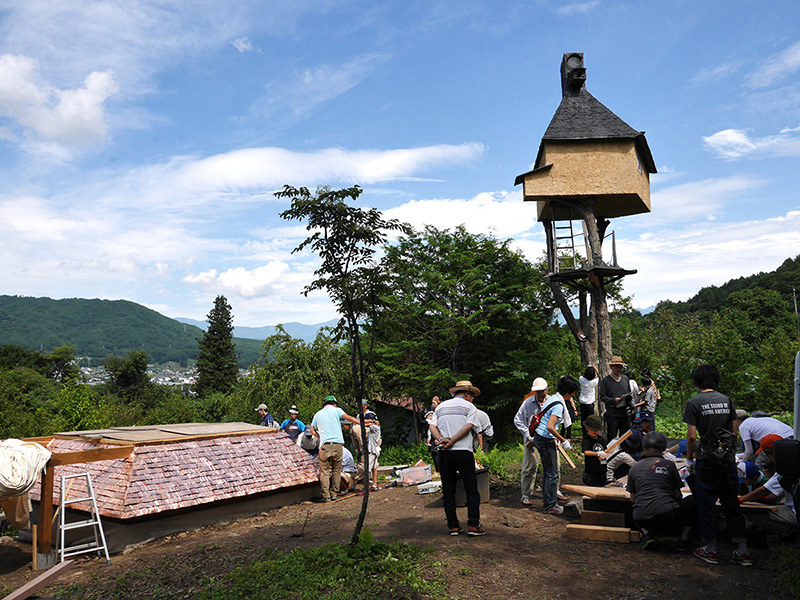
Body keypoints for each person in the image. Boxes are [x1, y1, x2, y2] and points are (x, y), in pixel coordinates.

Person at [683, 364, 751, 566]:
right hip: (727, 458)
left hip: (707, 459)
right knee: (731, 502)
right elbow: (733, 431)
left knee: (706, 503)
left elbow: (692, 436)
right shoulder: (727, 400)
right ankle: (742, 550)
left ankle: (710, 549)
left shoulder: (694, 403)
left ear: (696, 381)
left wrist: (689, 459)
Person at [429, 380, 486, 536]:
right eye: (472, 396)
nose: (472, 399)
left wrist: (441, 440)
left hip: (444, 453)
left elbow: (432, 426)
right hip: (463, 451)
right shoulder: (470, 407)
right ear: (466, 394)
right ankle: (474, 524)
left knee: (448, 490)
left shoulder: (440, 407)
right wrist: (453, 440)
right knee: (471, 489)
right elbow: (469, 426)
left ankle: (453, 526)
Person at [627, 431, 696, 551]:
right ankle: (684, 539)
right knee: (693, 500)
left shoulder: (634, 468)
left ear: (644, 447)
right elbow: (678, 495)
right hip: (666, 517)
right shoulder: (669, 465)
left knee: (639, 507)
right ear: (663, 449)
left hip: (640, 519)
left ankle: (647, 533)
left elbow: (633, 499)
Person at [533, 376, 577, 515]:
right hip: (545, 440)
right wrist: (563, 440)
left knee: (548, 473)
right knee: (552, 474)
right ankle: (550, 505)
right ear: (569, 392)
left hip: (540, 437)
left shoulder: (553, 398)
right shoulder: (558, 405)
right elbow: (550, 427)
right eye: (573, 392)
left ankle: (549, 503)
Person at [308, 395, 360, 502]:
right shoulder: (337, 410)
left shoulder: (317, 414)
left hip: (324, 446)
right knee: (337, 471)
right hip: (337, 445)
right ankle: (334, 493)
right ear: (334, 403)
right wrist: (361, 422)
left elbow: (312, 431)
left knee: (325, 472)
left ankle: (326, 496)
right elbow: (348, 418)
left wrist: (320, 437)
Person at [514, 378, 546, 505]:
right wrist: (529, 435)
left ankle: (554, 491)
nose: (540, 394)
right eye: (537, 392)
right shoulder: (528, 403)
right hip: (531, 441)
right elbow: (518, 420)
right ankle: (526, 494)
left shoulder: (551, 401)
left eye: (542, 391)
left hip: (548, 439)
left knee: (553, 467)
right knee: (529, 467)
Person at [599, 356, 633, 440]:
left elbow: (629, 393)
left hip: (625, 413)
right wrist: (614, 400)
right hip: (612, 413)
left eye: (620, 366)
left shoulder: (625, 379)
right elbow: (602, 397)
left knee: (625, 436)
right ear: (611, 367)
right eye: (617, 366)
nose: (619, 369)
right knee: (612, 436)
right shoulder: (605, 381)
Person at [581, 414, 608, 487]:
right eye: (593, 430)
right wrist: (597, 454)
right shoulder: (587, 440)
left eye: (597, 430)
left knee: (603, 485)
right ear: (587, 428)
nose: (595, 432)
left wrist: (607, 452)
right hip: (592, 469)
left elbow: (605, 450)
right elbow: (586, 452)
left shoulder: (601, 439)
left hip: (602, 467)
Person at [578, 365, 599, 434]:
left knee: (583, 420)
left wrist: (586, 369)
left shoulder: (581, 380)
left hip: (583, 403)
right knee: (590, 422)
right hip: (590, 404)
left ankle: (584, 434)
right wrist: (595, 369)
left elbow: (582, 375)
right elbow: (600, 376)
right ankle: (590, 434)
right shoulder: (594, 382)